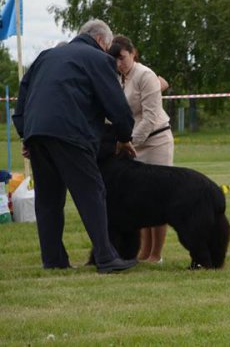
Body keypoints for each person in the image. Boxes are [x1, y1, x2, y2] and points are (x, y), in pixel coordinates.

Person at [13, 19, 138, 273]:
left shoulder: (46, 57)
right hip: (72, 134)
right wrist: (124, 136)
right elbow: (115, 105)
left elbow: (23, 98)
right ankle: (106, 257)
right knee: (91, 192)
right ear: (102, 41)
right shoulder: (97, 58)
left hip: (38, 133)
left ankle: (53, 260)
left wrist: (28, 134)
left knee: (48, 200)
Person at [108, 35, 174, 264]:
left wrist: (128, 141)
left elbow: (150, 116)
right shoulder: (118, 77)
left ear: (133, 53)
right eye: (114, 59)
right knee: (141, 199)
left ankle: (156, 254)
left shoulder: (145, 75)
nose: (119, 63)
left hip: (156, 141)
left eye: (122, 58)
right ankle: (144, 252)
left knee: (159, 197)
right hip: (134, 144)